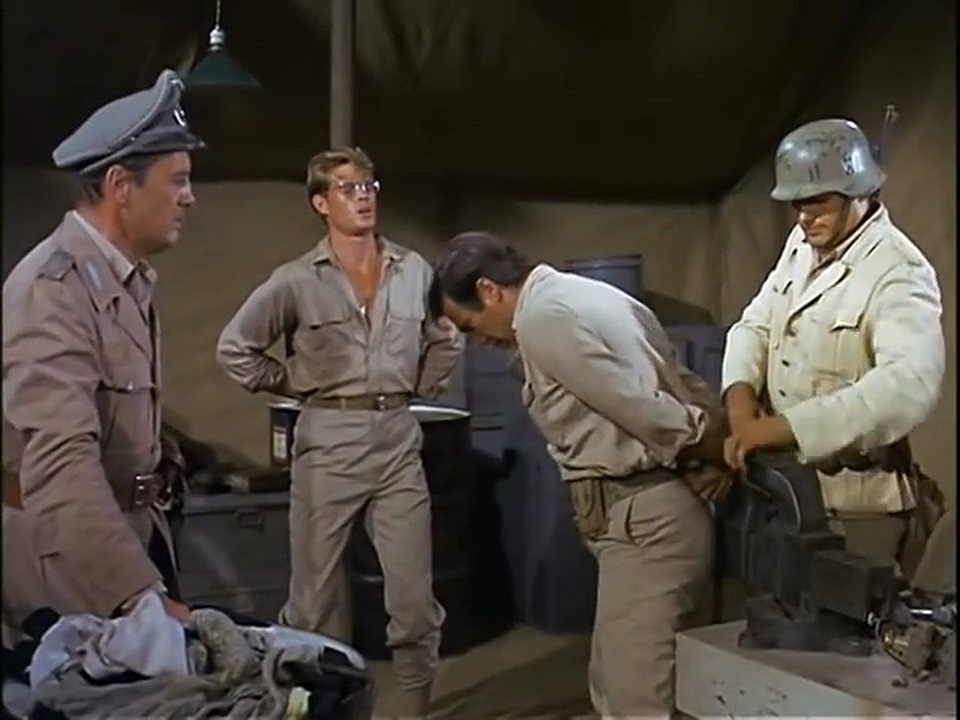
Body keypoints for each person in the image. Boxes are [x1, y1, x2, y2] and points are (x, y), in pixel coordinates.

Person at [428, 232, 731, 719]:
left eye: (470, 325)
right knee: (614, 682)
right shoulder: (590, 295)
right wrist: (707, 440)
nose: (477, 341)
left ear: (488, 290)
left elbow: (641, 407)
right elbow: (682, 381)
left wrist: (710, 448)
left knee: (636, 699)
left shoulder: (543, 319)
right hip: (644, 517)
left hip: (646, 520)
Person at [216, 147, 463, 717]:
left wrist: (419, 386)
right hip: (328, 441)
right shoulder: (297, 281)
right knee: (315, 602)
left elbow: (445, 336)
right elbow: (236, 348)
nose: (363, 197)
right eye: (348, 189)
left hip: (397, 440)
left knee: (413, 601)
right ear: (321, 203)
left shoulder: (413, 270)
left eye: (369, 186)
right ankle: (325, 705)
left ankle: (415, 708)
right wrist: (293, 383)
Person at [2, 70, 205, 647]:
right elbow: (60, 465)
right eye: (177, 180)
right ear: (120, 185)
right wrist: (139, 596)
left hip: (131, 539)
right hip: (71, 571)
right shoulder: (54, 291)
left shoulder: (125, 280)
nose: (189, 197)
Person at [721, 118, 945, 566]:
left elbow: (908, 385)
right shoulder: (802, 245)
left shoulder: (899, 271)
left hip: (858, 507)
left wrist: (784, 429)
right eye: (796, 204)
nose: (804, 217)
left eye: (817, 202)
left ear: (859, 193)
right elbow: (756, 323)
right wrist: (741, 404)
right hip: (789, 494)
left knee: (848, 608)